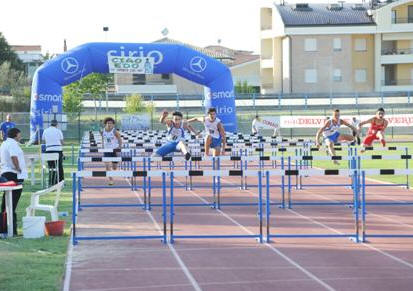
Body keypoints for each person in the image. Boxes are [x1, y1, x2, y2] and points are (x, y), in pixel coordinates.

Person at [0, 128, 27, 236]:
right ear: (16, 134)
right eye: (19, 134)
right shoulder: (13, 144)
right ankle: (10, 229)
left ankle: (6, 229)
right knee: (11, 203)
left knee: (6, 203)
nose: (20, 136)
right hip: (13, 174)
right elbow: (14, 156)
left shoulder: (4, 144)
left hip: (6, 172)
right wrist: (18, 168)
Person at [42, 120, 65, 185]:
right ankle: (60, 181)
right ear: (57, 125)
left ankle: (51, 181)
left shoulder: (45, 131)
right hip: (58, 151)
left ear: (50, 124)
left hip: (48, 150)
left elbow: (43, 142)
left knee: (51, 167)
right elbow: (62, 142)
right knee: (59, 166)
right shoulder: (58, 131)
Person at [102, 117, 122, 185]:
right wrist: (102, 147)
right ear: (105, 124)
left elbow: (119, 139)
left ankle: (114, 167)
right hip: (106, 150)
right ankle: (111, 180)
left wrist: (119, 147)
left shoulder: (114, 131)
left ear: (113, 124)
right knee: (107, 166)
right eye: (108, 123)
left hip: (114, 150)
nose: (109, 124)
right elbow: (103, 139)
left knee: (114, 167)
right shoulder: (102, 131)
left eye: (111, 123)